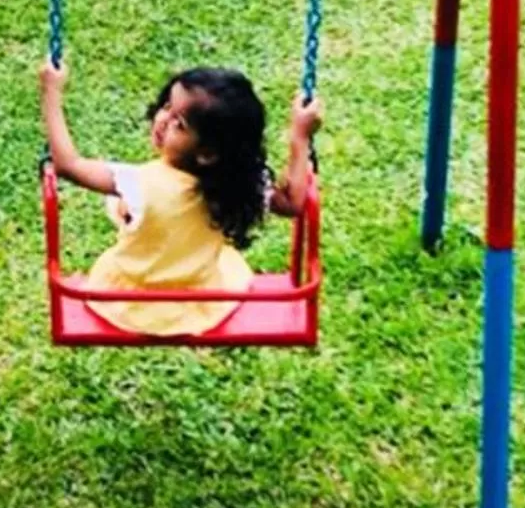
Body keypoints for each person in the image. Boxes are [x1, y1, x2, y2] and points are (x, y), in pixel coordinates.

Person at [39, 60, 319, 337]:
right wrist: (300, 137)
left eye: (179, 124)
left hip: (132, 302)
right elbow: (292, 203)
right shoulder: (233, 184)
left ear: (207, 153)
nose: (163, 120)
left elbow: (68, 166)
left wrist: (51, 92)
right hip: (202, 298)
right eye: (167, 107)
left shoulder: (138, 183)